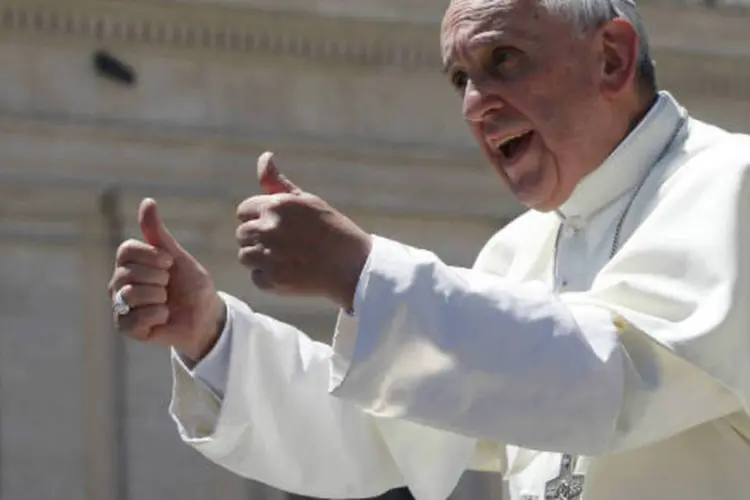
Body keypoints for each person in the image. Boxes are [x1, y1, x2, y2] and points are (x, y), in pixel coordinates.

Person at [106, 0, 750, 498]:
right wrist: (211, 335)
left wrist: (361, 273)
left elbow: (612, 374)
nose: (475, 104)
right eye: (460, 79)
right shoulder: (521, 250)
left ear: (611, 58)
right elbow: (383, 428)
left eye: (503, 60)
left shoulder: (731, 186)